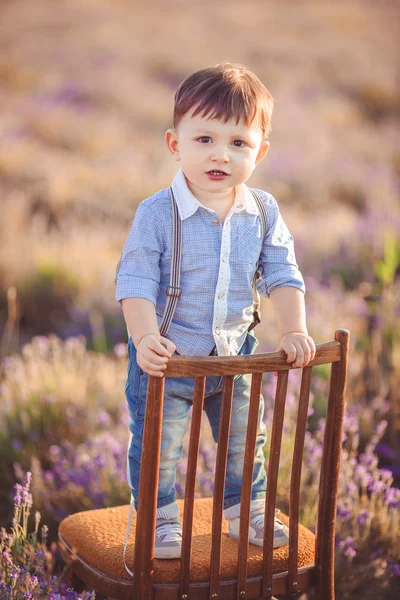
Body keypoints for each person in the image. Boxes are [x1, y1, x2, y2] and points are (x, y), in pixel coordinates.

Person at [116, 62, 316, 560]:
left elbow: (283, 273)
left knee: (246, 439)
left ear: (261, 152)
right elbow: (135, 281)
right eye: (204, 139)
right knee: (161, 446)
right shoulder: (156, 213)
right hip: (169, 357)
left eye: (238, 143)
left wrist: (293, 329)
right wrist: (143, 339)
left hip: (236, 355)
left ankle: (244, 510)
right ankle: (160, 517)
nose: (220, 155)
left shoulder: (263, 212)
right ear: (174, 144)